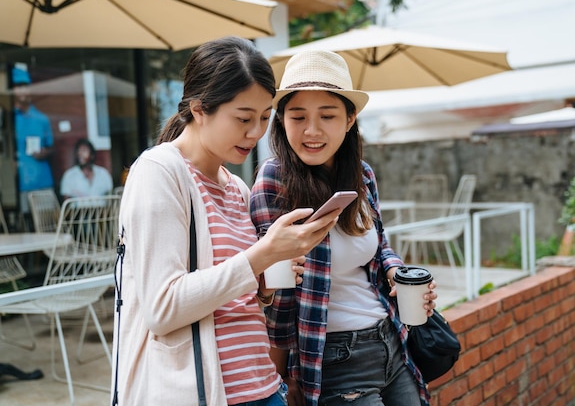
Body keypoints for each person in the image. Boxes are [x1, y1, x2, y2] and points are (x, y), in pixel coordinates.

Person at [112, 37, 341, 406]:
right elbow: (162, 308)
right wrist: (260, 256)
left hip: (262, 386)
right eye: (243, 118)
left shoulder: (235, 185)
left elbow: (238, 299)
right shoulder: (160, 172)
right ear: (200, 109)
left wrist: (267, 278)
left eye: (265, 118)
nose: (255, 133)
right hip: (204, 394)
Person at [249, 50, 438, 406]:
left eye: (328, 115)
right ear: (281, 118)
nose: (312, 130)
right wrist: (286, 375)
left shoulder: (362, 174)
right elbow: (278, 289)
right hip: (333, 357)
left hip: (391, 341)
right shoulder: (273, 180)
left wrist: (398, 273)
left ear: (350, 119)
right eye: (298, 115)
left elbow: (379, 246)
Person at [12, 67, 55, 223]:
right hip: (19, 184)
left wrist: (45, 152)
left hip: (42, 181)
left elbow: (51, 148)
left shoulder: (41, 118)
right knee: (25, 224)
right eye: (18, 86)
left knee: (47, 224)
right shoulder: (9, 120)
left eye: (25, 86)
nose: (22, 90)